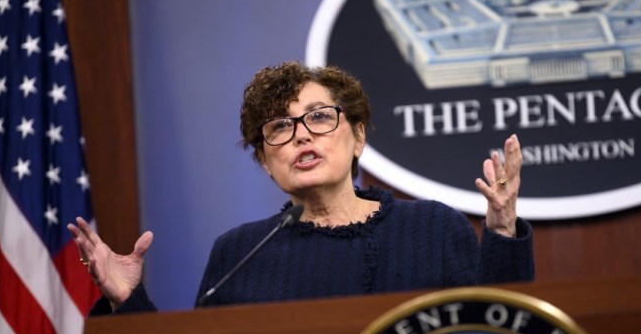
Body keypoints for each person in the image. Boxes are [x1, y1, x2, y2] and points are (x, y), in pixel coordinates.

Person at [69, 61, 534, 314]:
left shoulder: (432, 228)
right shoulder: (238, 254)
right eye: (279, 127)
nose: (301, 136)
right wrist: (127, 300)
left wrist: (502, 231)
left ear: (358, 137)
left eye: (319, 117)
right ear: (265, 162)